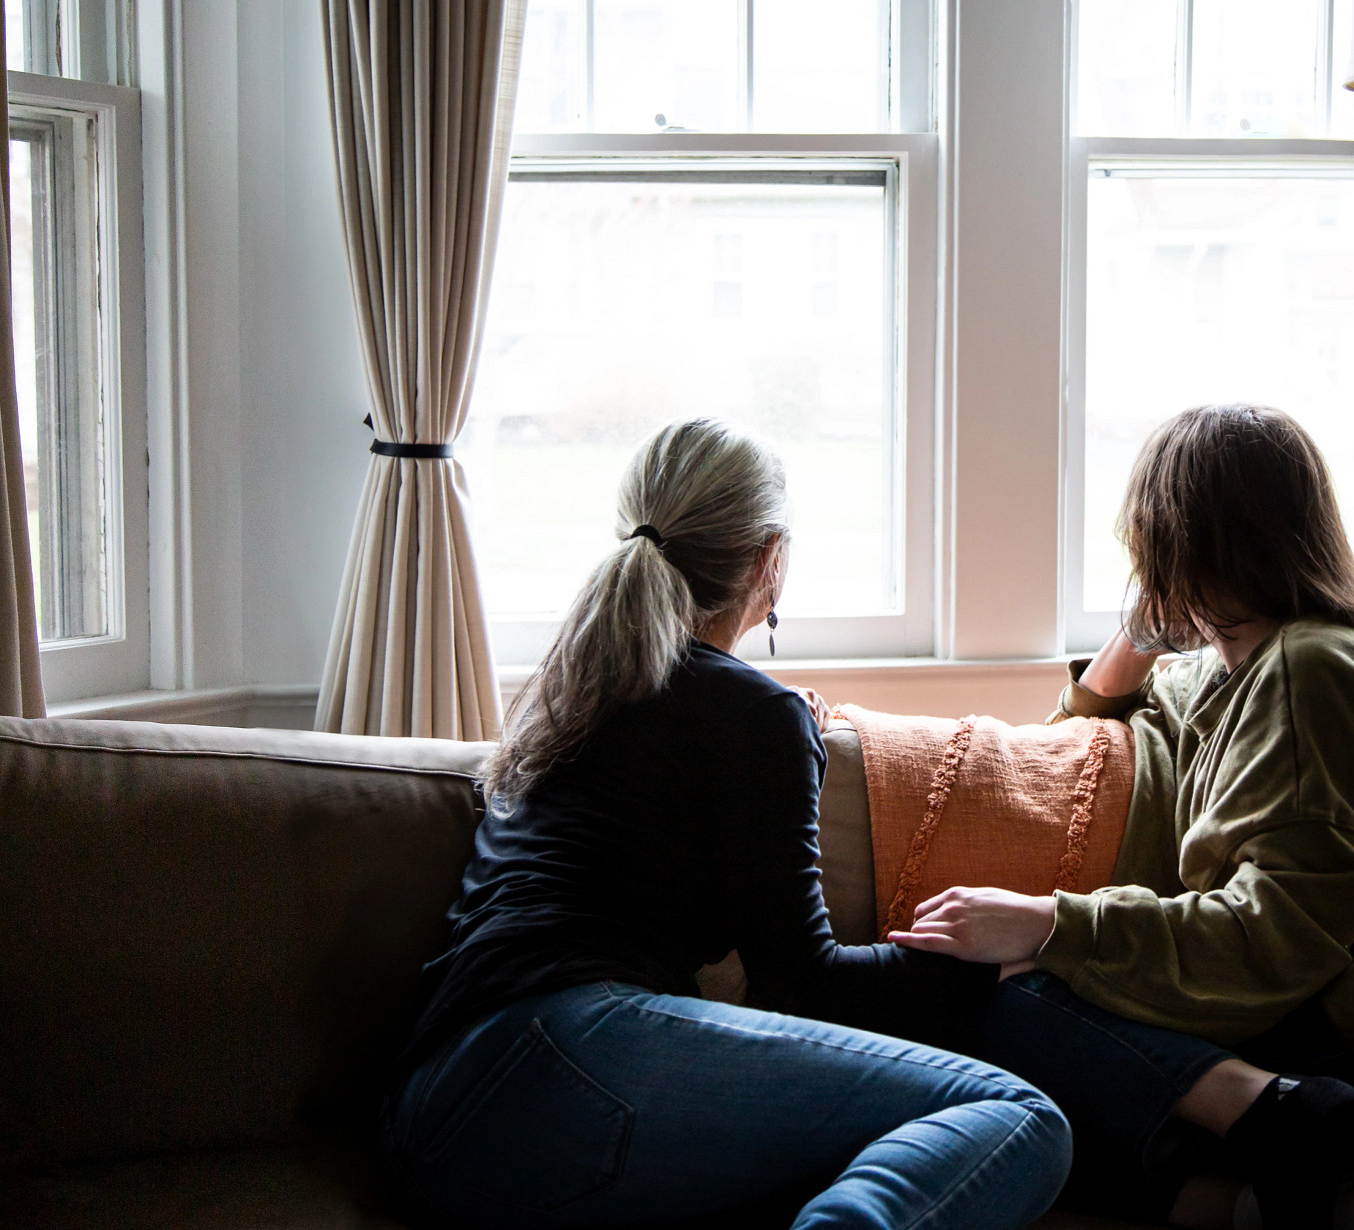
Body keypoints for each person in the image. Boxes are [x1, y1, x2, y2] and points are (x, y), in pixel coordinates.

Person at [380, 418, 1071, 1230]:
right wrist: (1000, 953)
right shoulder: (754, 713)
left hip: (430, 1110)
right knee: (1016, 1116)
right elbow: (804, 982)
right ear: (770, 559)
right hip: (561, 1059)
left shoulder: (568, 687)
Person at [889, 404, 1354, 1230]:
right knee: (1015, 1101)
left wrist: (1047, 925)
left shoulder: (1308, 669)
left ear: (1184, 538)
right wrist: (1150, 625)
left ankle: (1270, 1118)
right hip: (1349, 1043)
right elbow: (1087, 715)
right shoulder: (1238, 666)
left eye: (1150, 540)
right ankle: (1300, 1196)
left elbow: (1281, 936)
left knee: (1008, 1013)